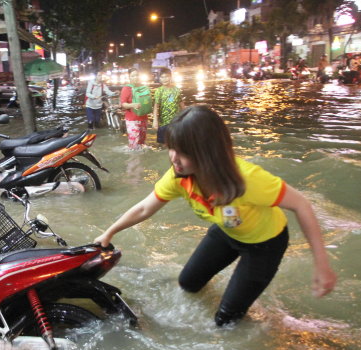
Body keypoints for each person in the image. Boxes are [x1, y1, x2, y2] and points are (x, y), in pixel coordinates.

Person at [94, 105, 337, 326]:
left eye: (183, 152)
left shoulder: (248, 179)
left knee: (227, 320)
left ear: (208, 153)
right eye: (172, 149)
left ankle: (262, 318)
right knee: (187, 284)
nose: (174, 159)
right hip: (227, 229)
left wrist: (322, 265)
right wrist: (109, 232)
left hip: (264, 245)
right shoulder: (180, 175)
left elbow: (302, 205)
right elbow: (145, 208)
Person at [152, 68, 185, 146]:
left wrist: (186, 117)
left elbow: (182, 104)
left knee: (177, 142)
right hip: (164, 122)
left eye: (166, 76)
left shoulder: (176, 90)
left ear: (170, 77)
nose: (164, 79)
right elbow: (156, 107)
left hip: (176, 121)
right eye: (162, 77)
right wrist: (155, 120)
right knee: (165, 144)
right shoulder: (159, 91)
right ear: (159, 79)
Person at [120, 68, 150, 150]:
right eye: (133, 76)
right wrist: (132, 105)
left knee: (142, 143)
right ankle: (134, 161)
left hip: (144, 118)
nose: (135, 77)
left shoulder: (143, 88)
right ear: (129, 77)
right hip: (132, 120)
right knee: (134, 144)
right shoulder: (126, 89)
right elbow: (123, 104)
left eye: (137, 75)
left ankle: (143, 161)